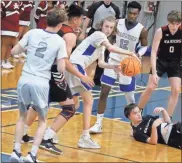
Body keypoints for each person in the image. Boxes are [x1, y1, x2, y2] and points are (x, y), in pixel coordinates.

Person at [20, 4, 94, 154]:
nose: (82, 21)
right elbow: (65, 61)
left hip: (40, 71)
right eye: (81, 19)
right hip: (55, 73)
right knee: (70, 107)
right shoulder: (69, 35)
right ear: (75, 19)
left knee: (39, 104)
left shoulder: (54, 29)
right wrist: (81, 76)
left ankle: (23, 133)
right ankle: (48, 138)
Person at [65, 16, 137, 149]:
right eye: (106, 26)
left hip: (73, 68)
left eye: (111, 27)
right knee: (88, 101)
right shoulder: (98, 35)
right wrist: (130, 54)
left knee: (73, 104)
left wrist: (114, 67)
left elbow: (102, 63)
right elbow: (111, 48)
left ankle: (50, 133)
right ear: (101, 26)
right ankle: (84, 137)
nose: (108, 29)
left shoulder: (102, 44)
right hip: (76, 67)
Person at [9, 8, 68, 162]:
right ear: (60, 25)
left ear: (46, 21)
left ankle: (16, 151)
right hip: (41, 82)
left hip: (24, 80)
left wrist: (28, 49)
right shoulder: (59, 41)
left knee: (22, 117)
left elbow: (14, 52)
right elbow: (61, 68)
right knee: (42, 121)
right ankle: (32, 154)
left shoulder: (32, 33)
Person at [90, 1, 148, 133]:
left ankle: (136, 125)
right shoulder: (117, 23)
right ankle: (98, 123)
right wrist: (106, 46)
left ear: (138, 14)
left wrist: (139, 53)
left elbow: (145, 46)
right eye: (130, 12)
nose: (132, 15)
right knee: (104, 91)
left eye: (135, 14)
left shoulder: (142, 30)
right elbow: (109, 37)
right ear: (126, 11)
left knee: (129, 98)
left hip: (128, 64)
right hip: (113, 60)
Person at [138, 10, 181, 118]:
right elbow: (153, 52)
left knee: (176, 90)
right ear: (168, 22)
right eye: (172, 24)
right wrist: (154, 72)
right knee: (150, 87)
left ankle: (167, 120)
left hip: (175, 62)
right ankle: (138, 112)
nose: (174, 27)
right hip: (160, 61)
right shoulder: (160, 31)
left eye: (177, 24)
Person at [79, 0, 121, 85]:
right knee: (88, 55)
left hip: (107, 36)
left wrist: (115, 36)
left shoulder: (115, 9)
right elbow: (87, 19)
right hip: (95, 32)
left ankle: (97, 79)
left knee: (103, 57)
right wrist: (83, 32)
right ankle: (82, 75)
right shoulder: (96, 5)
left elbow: (116, 23)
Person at [1, 1, 24, 69]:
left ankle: (6, 60)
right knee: (5, 44)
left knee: (10, 44)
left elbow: (22, 8)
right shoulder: (4, 1)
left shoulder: (19, 2)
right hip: (6, 25)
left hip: (15, 25)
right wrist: (5, 16)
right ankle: (1, 61)